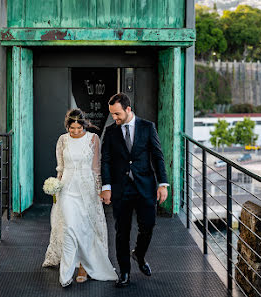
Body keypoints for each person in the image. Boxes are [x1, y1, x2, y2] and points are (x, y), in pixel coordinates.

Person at [100, 93, 169, 288]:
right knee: (122, 232)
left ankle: (138, 254)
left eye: (117, 114)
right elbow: (105, 160)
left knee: (148, 225)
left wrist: (162, 183)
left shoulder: (148, 127)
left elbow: (157, 156)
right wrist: (106, 187)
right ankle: (124, 272)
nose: (115, 118)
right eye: (112, 114)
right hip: (121, 189)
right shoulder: (111, 131)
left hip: (145, 187)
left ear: (128, 109)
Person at [42, 109, 117, 287]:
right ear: (67, 126)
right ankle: (66, 273)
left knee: (85, 229)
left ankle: (83, 266)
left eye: (78, 128)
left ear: (84, 125)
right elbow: (60, 167)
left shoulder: (93, 139)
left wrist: (100, 190)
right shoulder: (62, 140)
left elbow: (96, 168)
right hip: (67, 188)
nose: (75, 131)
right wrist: (56, 186)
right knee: (69, 228)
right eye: (72, 128)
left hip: (87, 188)